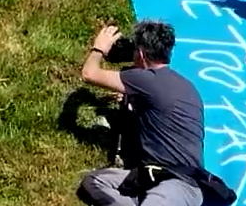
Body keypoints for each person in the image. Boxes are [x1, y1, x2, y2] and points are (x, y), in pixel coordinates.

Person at [76, 20, 207, 206]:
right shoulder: (188, 87)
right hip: (157, 178)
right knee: (96, 181)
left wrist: (99, 49)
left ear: (140, 53)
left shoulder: (146, 79)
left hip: (175, 185)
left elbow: (89, 73)